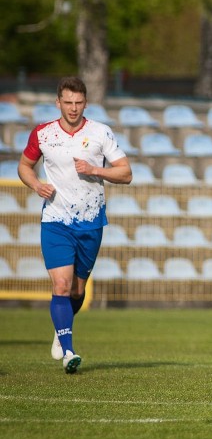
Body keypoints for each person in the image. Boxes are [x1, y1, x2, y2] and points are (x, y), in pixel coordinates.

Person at [18, 76, 132, 374]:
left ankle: (61, 328)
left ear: (86, 103)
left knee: (77, 291)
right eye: (67, 102)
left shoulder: (100, 133)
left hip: (91, 221)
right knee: (61, 284)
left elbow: (126, 173)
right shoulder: (43, 134)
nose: (72, 108)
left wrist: (95, 169)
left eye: (78, 102)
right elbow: (24, 166)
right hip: (55, 219)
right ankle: (69, 352)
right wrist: (36, 186)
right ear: (58, 102)